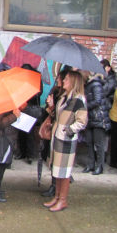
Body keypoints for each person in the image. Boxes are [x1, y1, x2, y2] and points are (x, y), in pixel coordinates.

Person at [44, 71, 88, 212]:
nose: (63, 81)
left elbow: (81, 122)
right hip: (57, 137)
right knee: (57, 169)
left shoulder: (78, 99)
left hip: (66, 140)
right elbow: (57, 115)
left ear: (74, 81)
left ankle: (62, 200)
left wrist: (68, 131)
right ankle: (57, 197)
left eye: (67, 79)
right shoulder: (64, 96)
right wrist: (51, 106)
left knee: (64, 171)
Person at [40, 70, 68, 198]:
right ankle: (55, 188)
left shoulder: (69, 97)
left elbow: (61, 116)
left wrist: (52, 107)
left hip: (62, 132)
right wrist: (49, 105)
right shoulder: (57, 91)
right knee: (51, 158)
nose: (57, 81)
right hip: (53, 129)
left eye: (61, 79)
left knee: (58, 160)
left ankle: (57, 189)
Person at [82, 71, 110, 175]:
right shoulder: (89, 85)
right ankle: (90, 165)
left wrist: (84, 107)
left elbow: (97, 101)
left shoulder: (96, 84)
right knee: (89, 142)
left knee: (98, 144)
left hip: (98, 117)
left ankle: (100, 166)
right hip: (91, 117)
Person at [15, 63, 41, 164]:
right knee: (21, 133)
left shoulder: (35, 80)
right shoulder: (19, 81)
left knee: (29, 134)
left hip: (30, 110)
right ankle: (22, 152)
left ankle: (30, 155)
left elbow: (39, 93)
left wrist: (28, 91)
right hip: (21, 109)